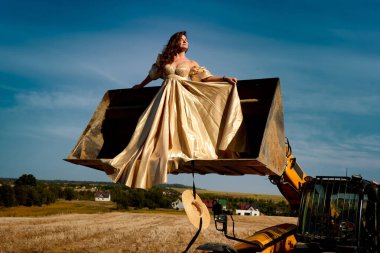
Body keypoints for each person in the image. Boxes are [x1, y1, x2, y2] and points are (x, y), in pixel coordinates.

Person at [106, 31, 246, 189]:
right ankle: (155, 151)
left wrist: (224, 78)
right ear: (174, 43)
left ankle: (182, 149)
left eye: (187, 40)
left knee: (184, 124)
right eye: (182, 40)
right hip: (165, 95)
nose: (185, 42)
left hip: (182, 96)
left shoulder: (192, 62)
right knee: (155, 124)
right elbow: (152, 75)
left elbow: (205, 78)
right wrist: (140, 85)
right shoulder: (164, 59)